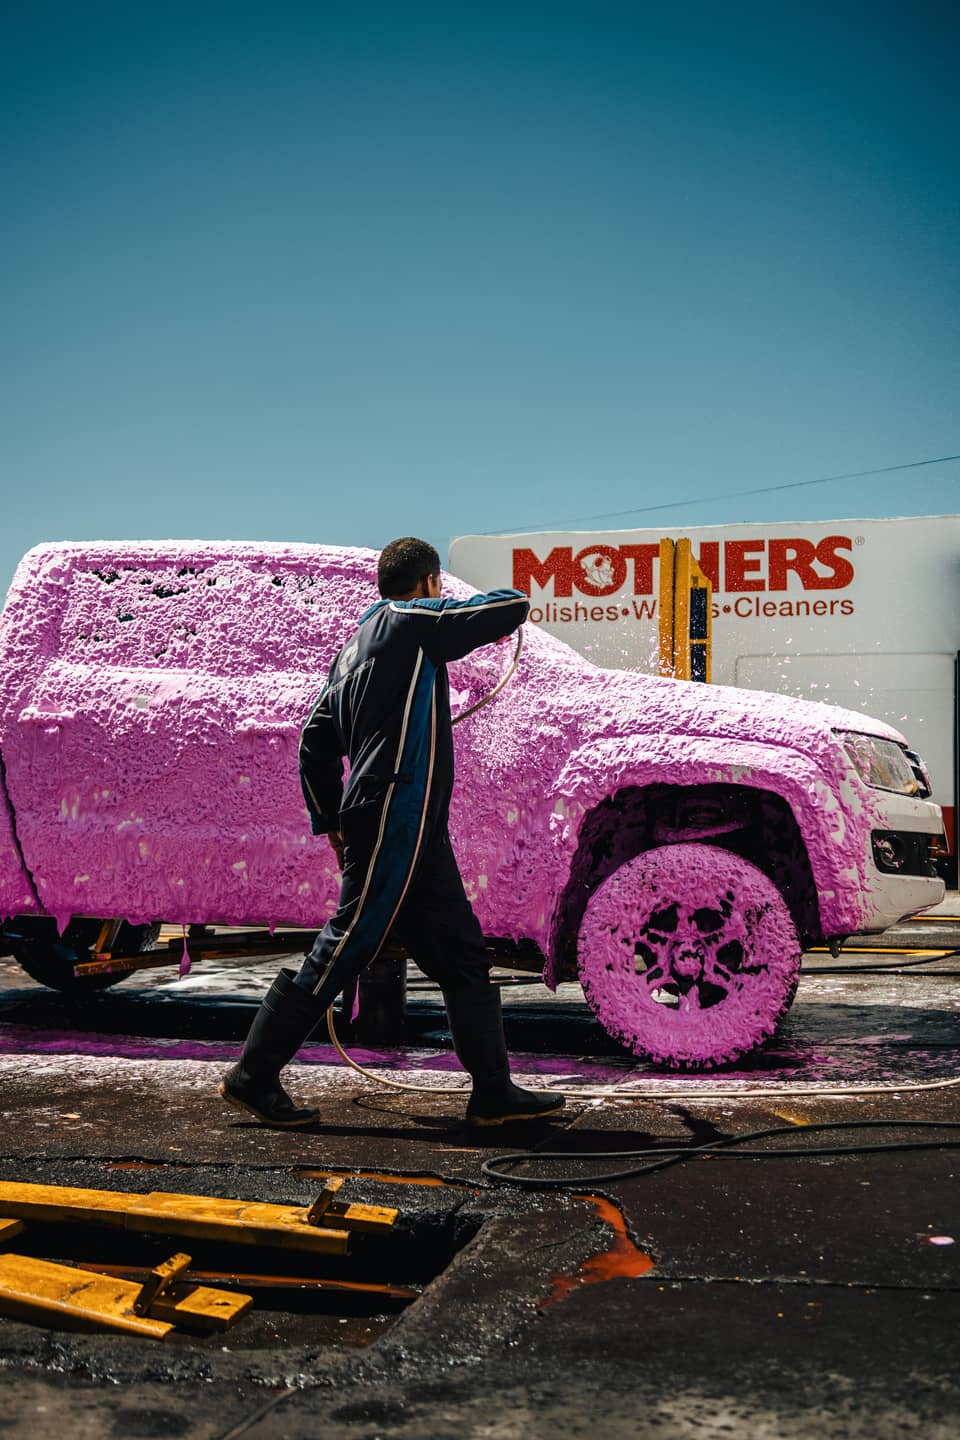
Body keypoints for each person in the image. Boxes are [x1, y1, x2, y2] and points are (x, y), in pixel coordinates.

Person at [218, 537, 565, 1130]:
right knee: (349, 941)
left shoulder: (352, 649)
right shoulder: (409, 619)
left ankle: (493, 1094)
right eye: (438, 587)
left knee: (461, 953)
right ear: (430, 583)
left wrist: (328, 820)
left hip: (410, 824)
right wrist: (468, 597)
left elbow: (314, 744)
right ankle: (253, 1074)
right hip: (393, 810)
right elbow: (508, 608)